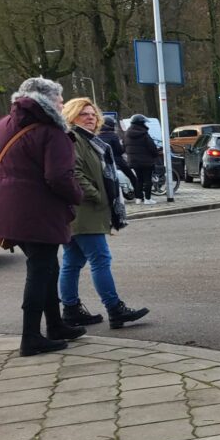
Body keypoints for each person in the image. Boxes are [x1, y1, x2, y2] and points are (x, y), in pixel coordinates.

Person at [0, 77, 86, 356]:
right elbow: (59, 176)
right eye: (60, 100)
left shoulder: (4, 124)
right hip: (40, 210)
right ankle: (31, 336)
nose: (63, 105)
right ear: (46, 100)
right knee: (40, 271)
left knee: (48, 267)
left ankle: (55, 324)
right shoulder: (52, 131)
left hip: (9, 208)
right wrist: (77, 196)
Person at [59, 98, 150, 330]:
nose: (90, 117)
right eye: (83, 114)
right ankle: (114, 308)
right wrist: (98, 196)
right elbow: (74, 173)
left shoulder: (89, 140)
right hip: (85, 210)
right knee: (100, 259)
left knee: (73, 261)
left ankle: (70, 310)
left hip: (79, 211)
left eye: (92, 114)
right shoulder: (74, 139)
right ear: (71, 116)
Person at [123, 113, 160, 205]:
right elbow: (152, 147)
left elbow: (124, 147)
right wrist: (155, 155)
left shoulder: (127, 134)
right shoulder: (144, 134)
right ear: (140, 123)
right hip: (146, 161)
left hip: (133, 161)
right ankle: (148, 199)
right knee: (147, 180)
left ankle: (138, 198)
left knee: (139, 180)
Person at [97, 114, 135, 186]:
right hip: (116, 160)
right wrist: (124, 146)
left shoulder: (97, 135)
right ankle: (138, 194)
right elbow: (119, 151)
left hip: (102, 161)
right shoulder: (113, 135)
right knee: (132, 177)